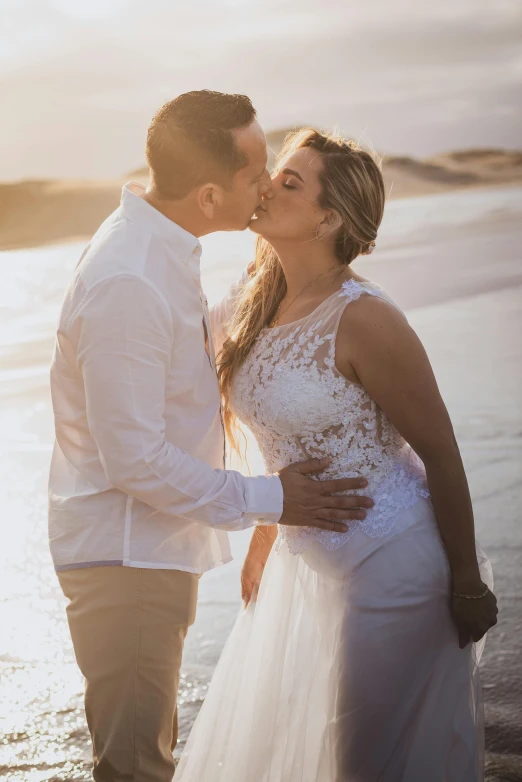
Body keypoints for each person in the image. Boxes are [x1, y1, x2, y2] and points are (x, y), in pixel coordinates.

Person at [48, 94, 372, 782]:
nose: (267, 183)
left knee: (146, 754)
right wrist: (272, 499)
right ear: (208, 194)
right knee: (136, 767)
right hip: (127, 561)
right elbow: (133, 459)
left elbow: (189, 363)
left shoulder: (160, 250)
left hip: (148, 552)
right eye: (258, 170)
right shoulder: (130, 278)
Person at [175, 128, 498, 782]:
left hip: (392, 560)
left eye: (290, 181)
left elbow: (439, 448)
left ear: (329, 217)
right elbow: (292, 443)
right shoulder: (251, 305)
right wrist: (266, 531)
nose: (268, 187)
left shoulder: (367, 318)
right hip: (309, 566)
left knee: (359, 763)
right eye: (275, 174)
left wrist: (467, 582)